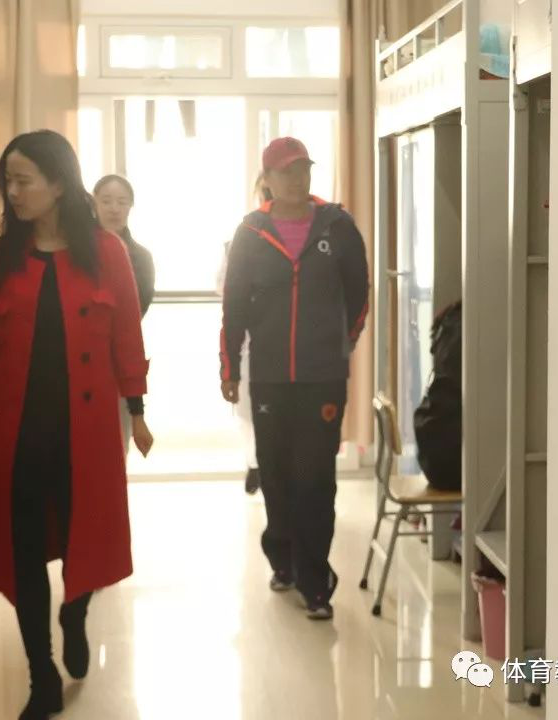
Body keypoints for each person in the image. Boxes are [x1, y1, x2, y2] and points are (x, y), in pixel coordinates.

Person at [0, 130, 151, 720]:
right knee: (23, 556)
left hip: (84, 435)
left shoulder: (106, 253)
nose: (13, 193)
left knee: (82, 540)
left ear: (59, 184)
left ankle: (75, 612)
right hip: (15, 436)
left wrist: (138, 410)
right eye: (7, 182)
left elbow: (126, 337)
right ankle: (41, 673)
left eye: (24, 181)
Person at [219, 137, 370, 620]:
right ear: (267, 179)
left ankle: (315, 582)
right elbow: (234, 306)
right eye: (286, 172)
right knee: (277, 474)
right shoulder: (251, 233)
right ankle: (281, 556)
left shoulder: (338, 227)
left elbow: (359, 292)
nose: (297, 179)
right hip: (269, 377)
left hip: (322, 378)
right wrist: (230, 368)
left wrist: (338, 343)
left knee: (316, 478)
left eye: (303, 169)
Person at [93, 174, 156, 457]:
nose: (114, 209)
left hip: (119, 357)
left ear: (131, 206)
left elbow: (136, 309)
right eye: (106, 201)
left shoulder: (141, 257)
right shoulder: (76, 251)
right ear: (94, 203)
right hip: (78, 353)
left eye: (122, 202)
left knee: (116, 448)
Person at [217, 173, 272, 495]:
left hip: (286, 346)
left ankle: (265, 465)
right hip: (250, 341)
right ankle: (254, 463)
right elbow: (225, 290)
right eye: (264, 191)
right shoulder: (243, 238)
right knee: (249, 411)